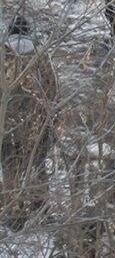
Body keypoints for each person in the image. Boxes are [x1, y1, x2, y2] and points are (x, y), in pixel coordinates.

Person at [2, 16, 58, 229]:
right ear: (27, 32)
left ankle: (15, 215)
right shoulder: (41, 55)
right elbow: (53, 88)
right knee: (37, 165)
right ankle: (41, 208)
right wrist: (51, 119)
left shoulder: (3, 56)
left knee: (10, 166)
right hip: (38, 124)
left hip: (8, 126)